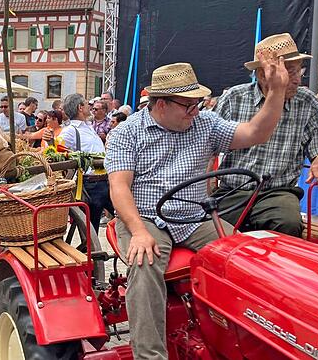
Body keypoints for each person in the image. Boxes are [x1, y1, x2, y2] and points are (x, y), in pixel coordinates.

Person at [105, 55, 288, 360]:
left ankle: (246, 341)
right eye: (188, 105)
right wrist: (137, 231)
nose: (196, 111)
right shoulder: (128, 132)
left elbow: (256, 132)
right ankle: (150, 357)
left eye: (198, 104)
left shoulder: (205, 124)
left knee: (245, 255)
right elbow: (119, 187)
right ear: (160, 104)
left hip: (194, 216)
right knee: (144, 264)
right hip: (147, 217)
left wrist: (277, 91)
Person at [215, 33, 318, 238]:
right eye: (289, 71)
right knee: (212, 230)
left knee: (286, 223)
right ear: (263, 74)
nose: (298, 79)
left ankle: (278, 269)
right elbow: (208, 143)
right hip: (233, 190)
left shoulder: (307, 101)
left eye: (300, 70)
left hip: (278, 191)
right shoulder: (234, 98)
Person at [60, 94, 111, 233]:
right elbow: (57, 150)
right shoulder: (70, 131)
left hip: (106, 181)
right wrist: (50, 141)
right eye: (87, 104)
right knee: (91, 230)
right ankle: (90, 254)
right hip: (91, 185)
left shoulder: (88, 126)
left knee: (124, 216)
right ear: (80, 108)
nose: (90, 106)